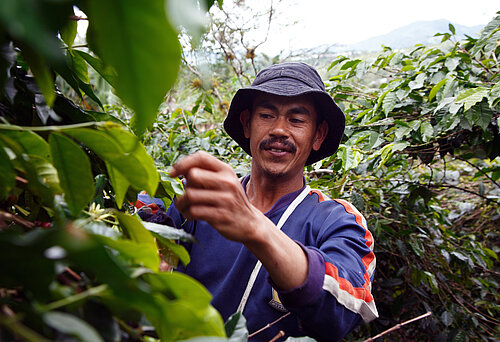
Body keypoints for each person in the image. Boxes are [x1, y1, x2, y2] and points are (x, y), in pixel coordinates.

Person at [166, 62, 378, 341]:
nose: (279, 130)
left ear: (318, 135)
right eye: (266, 115)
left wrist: (254, 226)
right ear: (246, 124)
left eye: (297, 120)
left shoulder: (337, 220)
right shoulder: (200, 198)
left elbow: (346, 305)